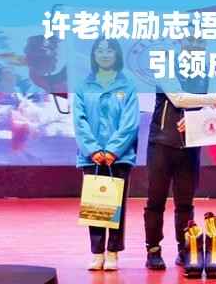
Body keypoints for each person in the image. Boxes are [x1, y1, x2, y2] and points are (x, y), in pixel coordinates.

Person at [144, 34, 216, 270]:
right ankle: (153, 250)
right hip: (161, 143)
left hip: (191, 145)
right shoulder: (164, 63)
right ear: (180, 41)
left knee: (185, 203)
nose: (195, 45)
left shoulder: (207, 69)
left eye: (200, 41)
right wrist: (215, 99)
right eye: (190, 40)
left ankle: (185, 250)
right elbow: (178, 98)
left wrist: (200, 116)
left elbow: (210, 108)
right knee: (155, 201)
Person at [73, 38, 139, 271]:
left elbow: (130, 122)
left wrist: (113, 149)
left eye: (109, 50)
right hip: (90, 156)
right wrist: (92, 149)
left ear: (117, 55)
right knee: (96, 205)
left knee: (116, 206)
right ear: (93, 55)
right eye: (99, 50)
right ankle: (97, 253)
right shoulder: (83, 85)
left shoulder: (128, 85)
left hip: (119, 156)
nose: (104, 54)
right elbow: (79, 121)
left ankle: (113, 252)